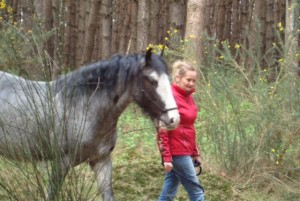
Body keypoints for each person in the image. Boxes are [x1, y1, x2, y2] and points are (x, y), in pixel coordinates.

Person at [157, 60, 204, 201]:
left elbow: (189, 127)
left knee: (169, 192)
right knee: (197, 193)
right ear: (178, 78)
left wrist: (195, 153)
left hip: (185, 149)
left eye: (193, 81)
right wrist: (166, 157)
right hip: (177, 151)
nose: (191, 83)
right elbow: (162, 129)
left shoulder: (188, 97)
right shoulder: (169, 97)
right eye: (188, 79)